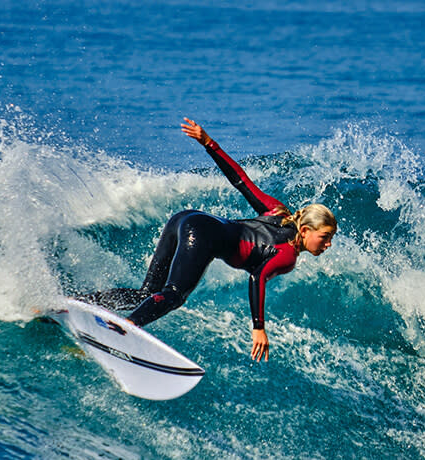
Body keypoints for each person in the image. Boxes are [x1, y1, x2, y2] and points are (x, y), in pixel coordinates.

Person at [82, 118, 336, 362]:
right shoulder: (287, 255)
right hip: (202, 233)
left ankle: (82, 301)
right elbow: (257, 278)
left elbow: (241, 181)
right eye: (324, 237)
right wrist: (259, 327)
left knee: (147, 294)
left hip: (185, 219)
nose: (328, 245)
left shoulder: (277, 211)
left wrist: (209, 143)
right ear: (305, 231)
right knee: (173, 295)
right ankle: (124, 329)